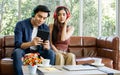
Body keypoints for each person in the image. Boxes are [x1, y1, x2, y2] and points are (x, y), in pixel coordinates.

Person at [12, 5, 55, 75]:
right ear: (33, 14)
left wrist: (47, 47)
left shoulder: (45, 27)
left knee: (51, 53)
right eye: (39, 16)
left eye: (44, 18)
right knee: (17, 52)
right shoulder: (21, 24)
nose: (41, 20)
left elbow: (46, 44)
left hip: (38, 52)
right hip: (24, 51)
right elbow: (17, 44)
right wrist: (31, 43)